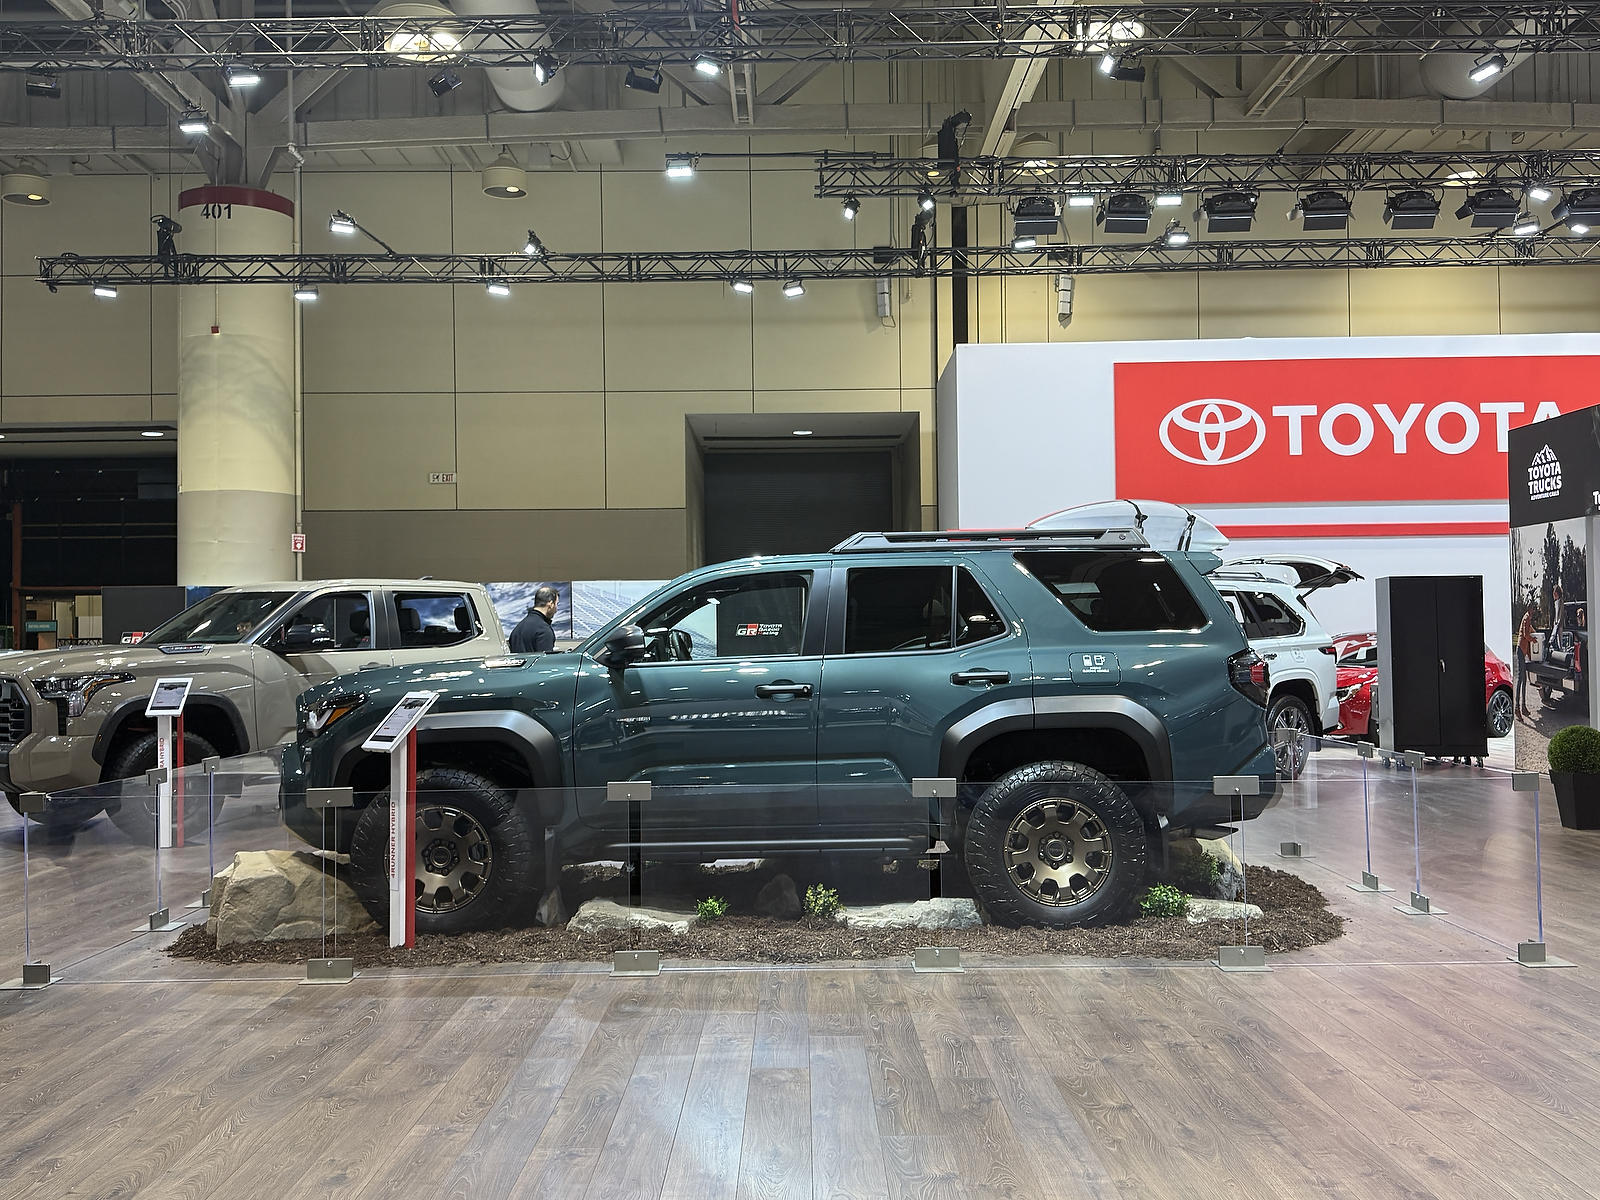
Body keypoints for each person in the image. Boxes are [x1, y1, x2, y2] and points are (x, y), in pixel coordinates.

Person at [509, 585, 560, 653]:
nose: (556, 609)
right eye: (557, 604)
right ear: (551, 604)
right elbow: (545, 662)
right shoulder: (543, 631)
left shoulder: (518, 628)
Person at [1517, 607, 1535, 717]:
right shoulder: (1527, 617)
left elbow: (1531, 630)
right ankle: (1517, 708)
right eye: (1533, 609)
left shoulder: (1528, 618)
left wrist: (1537, 635)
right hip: (1520, 650)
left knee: (1523, 679)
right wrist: (1533, 639)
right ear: (1530, 609)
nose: (1534, 612)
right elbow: (1525, 634)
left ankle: (1523, 707)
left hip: (1522, 651)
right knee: (1520, 679)